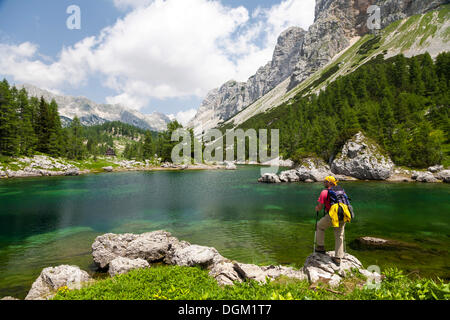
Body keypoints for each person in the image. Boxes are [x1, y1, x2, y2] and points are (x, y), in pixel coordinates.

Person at [314, 176, 351, 266]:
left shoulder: (324, 192)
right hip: (343, 214)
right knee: (339, 235)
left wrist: (317, 209)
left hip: (332, 215)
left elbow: (320, 206)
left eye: (325, 181)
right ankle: (338, 257)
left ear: (329, 183)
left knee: (319, 226)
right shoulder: (341, 190)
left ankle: (320, 247)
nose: (324, 183)